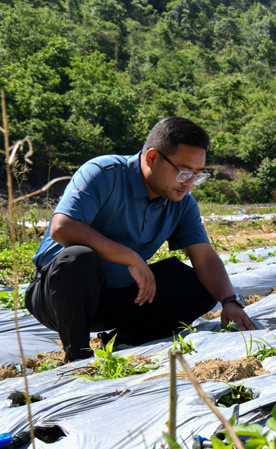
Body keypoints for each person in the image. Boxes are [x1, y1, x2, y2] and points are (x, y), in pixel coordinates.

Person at [25, 117, 257, 363]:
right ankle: (78, 357)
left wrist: (229, 301)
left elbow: (204, 257)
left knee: (201, 288)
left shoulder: (182, 202)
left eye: (198, 175)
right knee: (78, 257)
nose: (190, 183)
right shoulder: (104, 173)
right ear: (152, 158)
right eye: (183, 173)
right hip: (59, 295)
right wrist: (130, 257)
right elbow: (62, 227)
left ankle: (122, 341)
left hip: (117, 298)